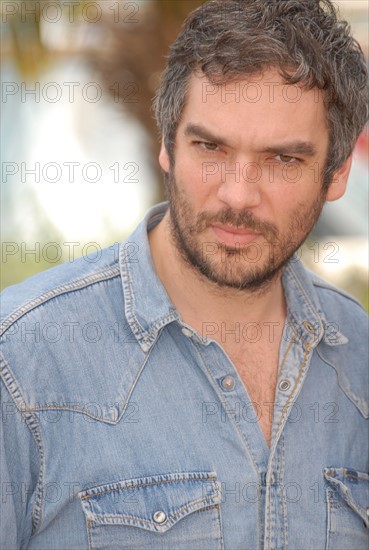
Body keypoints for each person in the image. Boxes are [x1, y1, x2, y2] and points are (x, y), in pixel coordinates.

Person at [1, 0, 368, 548]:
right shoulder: (23, 360)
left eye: (282, 160)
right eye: (210, 147)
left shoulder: (359, 354)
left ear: (337, 171)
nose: (238, 195)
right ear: (167, 145)